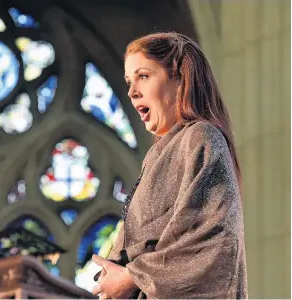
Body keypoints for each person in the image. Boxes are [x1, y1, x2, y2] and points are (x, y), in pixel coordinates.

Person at [91, 32, 247, 299]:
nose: (131, 91)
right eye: (129, 81)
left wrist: (131, 276)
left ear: (180, 78)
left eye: (143, 76)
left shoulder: (200, 138)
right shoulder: (157, 155)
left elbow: (213, 242)